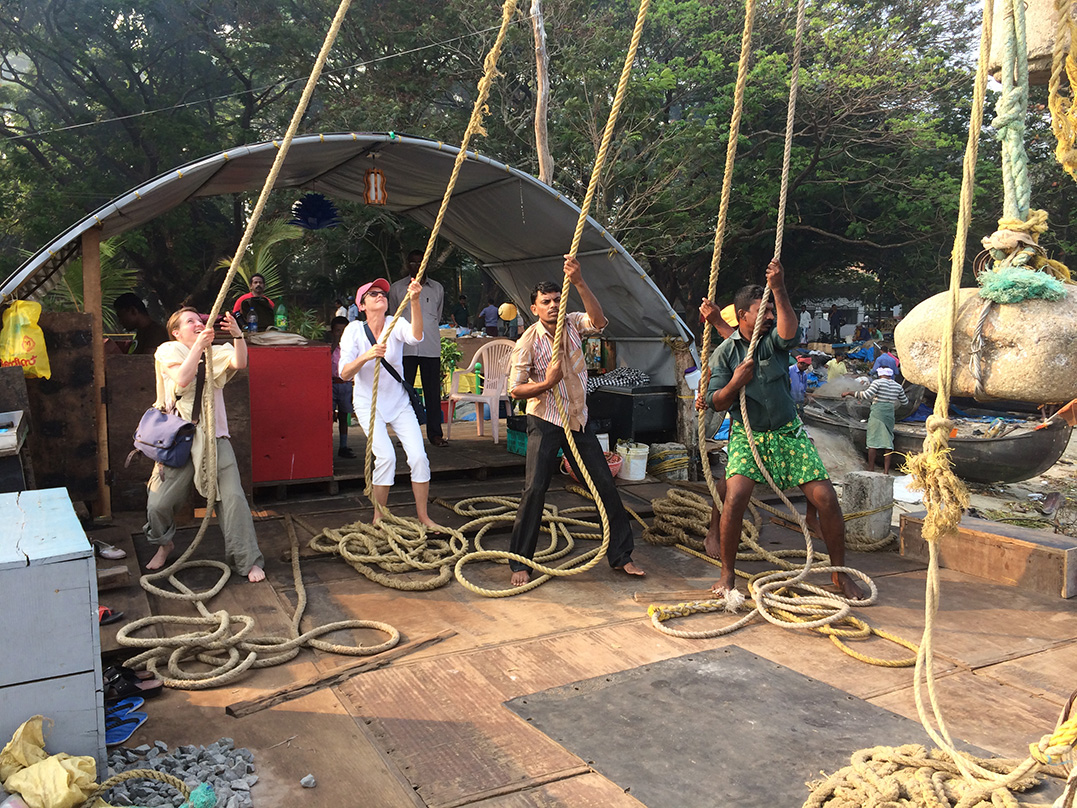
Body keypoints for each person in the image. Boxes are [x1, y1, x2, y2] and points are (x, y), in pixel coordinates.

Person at [704, 259, 867, 601]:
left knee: (826, 498)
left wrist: (778, 288)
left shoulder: (773, 343)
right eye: (761, 311)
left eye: (770, 310)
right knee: (735, 496)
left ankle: (839, 573)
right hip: (749, 435)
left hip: (788, 431)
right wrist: (735, 383)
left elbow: (789, 329)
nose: (769, 316)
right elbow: (715, 401)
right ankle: (727, 575)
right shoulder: (725, 354)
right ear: (743, 316)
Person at [506, 256, 646, 586]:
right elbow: (516, 389)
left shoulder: (572, 323)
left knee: (604, 484)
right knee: (535, 488)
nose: (553, 306)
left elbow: (599, 321)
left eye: (557, 300)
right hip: (545, 419)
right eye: (546, 302)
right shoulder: (527, 341)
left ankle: (622, 555)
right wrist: (547, 383)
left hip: (578, 419)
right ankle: (520, 562)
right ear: (534, 308)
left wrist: (579, 281)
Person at [144, 308, 266, 582]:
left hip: (214, 437)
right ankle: (164, 543)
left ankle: (247, 560)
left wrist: (237, 336)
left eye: (199, 320)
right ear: (176, 332)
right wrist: (199, 346)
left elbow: (239, 362)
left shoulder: (216, 352)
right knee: (158, 504)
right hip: (178, 440)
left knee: (233, 499)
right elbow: (182, 379)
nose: (198, 323)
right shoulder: (168, 350)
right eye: (190, 321)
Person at [339, 277, 442, 529]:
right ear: (361, 305)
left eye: (382, 293)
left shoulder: (394, 323)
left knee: (419, 457)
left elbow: (416, 336)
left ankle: (423, 517)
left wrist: (415, 300)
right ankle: (378, 518)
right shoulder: (353, 330)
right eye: (373, 294)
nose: (380, 296)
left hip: (399, 403)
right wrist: (367, 356)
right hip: (369, 404)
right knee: (385, 457)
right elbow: (344, 373)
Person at [389, 250, 448, 447]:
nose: (416, 266)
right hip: (405, 349)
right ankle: (406, 435)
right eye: (412, 262)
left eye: (420, 262)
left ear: (427, 264)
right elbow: (394, 317)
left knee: (433, 392)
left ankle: (435, 434)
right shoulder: (397, 289)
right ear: (407, 264)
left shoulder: (437, 288)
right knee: (404, 393)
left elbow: (437, 316)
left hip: (430, 347)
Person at [842, 367, 909, 474]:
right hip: (889, 414)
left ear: (880, 374)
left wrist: (849, 393)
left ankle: (871, 469)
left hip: (877, 413)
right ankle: (886, 471)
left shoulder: (877, 383)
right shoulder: (897, 386)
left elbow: (865, 395)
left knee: (872, 441)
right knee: (888, 441)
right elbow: (905, 402)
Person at [329, 315, 355, 458]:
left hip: (345, 384)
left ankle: (343, 446)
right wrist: (334, 344)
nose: (340, 334)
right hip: (331, 384)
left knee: (344, 416)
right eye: (337, 331)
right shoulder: (330, 348)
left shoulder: (349, 348)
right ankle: (327, 445)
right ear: (332, 332)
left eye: (343, 331)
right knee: (329, 416)